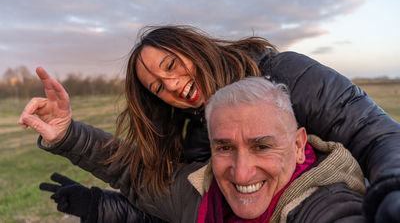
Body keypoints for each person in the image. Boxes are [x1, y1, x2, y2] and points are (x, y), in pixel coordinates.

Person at [19, 25, 400, 222]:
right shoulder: (195, 135)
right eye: (157, 88)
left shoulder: (286, 74)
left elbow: (375, 134)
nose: (172, 85)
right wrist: (70, 138)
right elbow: (169, 196)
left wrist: (391, 193)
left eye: (170, 65)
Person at [42, 77, 368, 222]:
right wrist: (67, 135)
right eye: (224, 147)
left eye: (262, 146)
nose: (241, 173)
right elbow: (132, 171)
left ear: (299, 146)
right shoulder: (200, 190)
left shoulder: (327, 205)